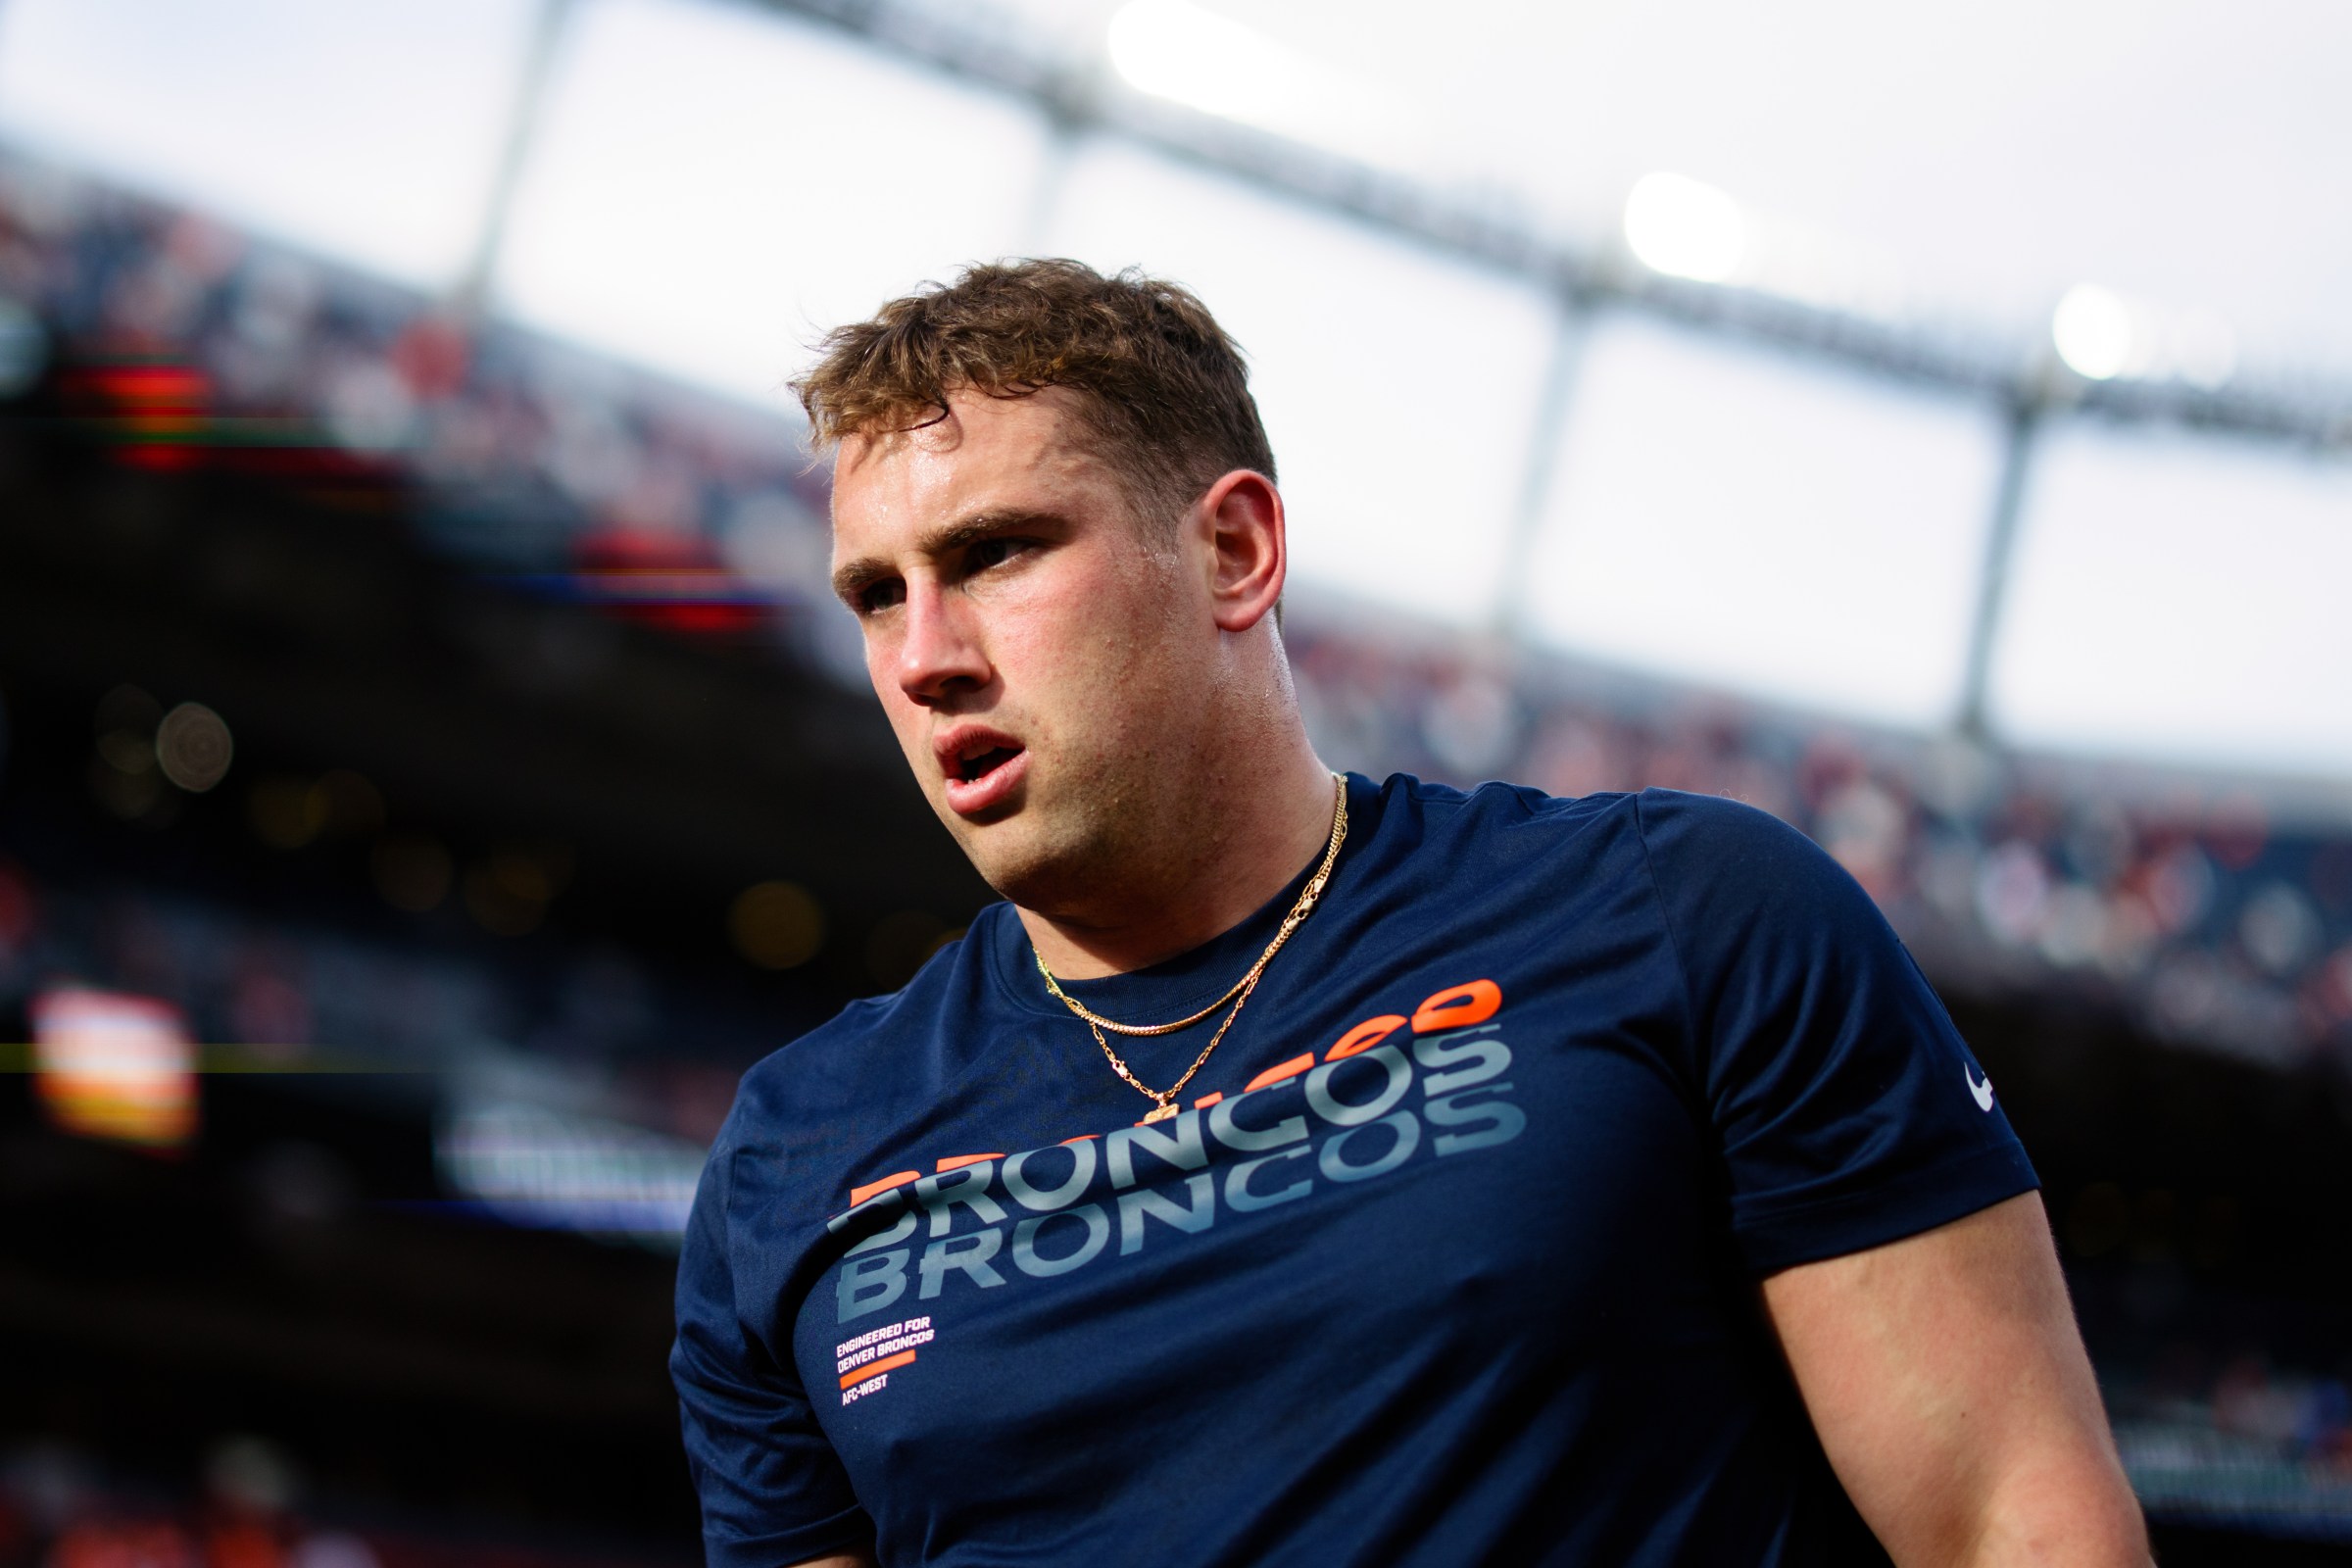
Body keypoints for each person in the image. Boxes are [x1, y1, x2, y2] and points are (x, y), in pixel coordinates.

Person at [671, 259, 2148, 1567]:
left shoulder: (1682, 918)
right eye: (877, 593)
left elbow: (2008, 1523)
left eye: (994, 553)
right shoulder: (795, 1151)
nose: (923, 655)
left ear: (1234, 552)